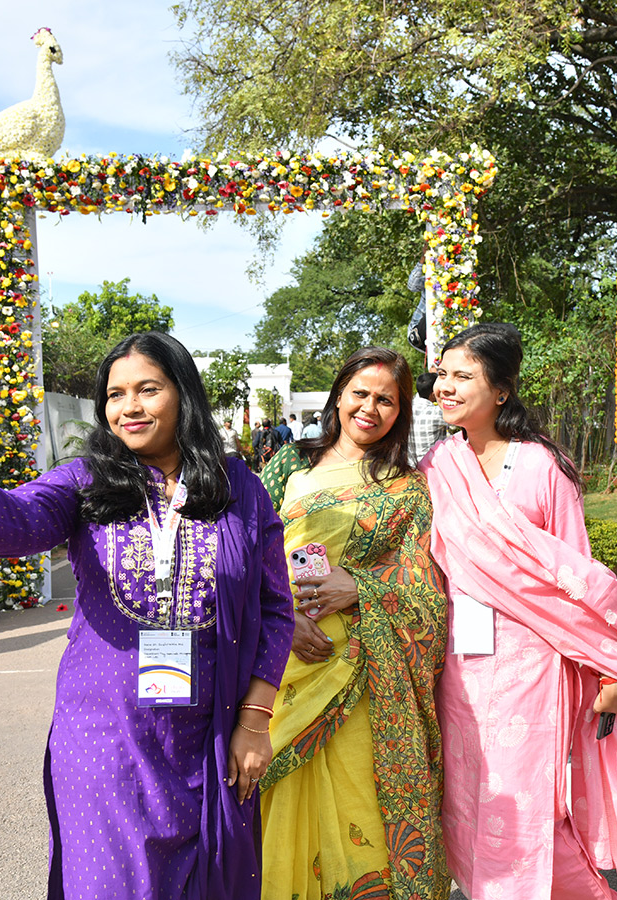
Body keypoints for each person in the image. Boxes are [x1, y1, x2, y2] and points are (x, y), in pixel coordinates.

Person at [0, 332, 295, 900]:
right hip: (107, 739)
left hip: (211, 740)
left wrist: (254, 723)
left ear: (184, 395)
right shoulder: (87, 481)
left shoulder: (240, 488)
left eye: (148, 389)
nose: (129, 407)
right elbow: (15, 519)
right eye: (115, 394)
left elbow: (274, 610)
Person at [419, 323, 617, 899]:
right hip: (457, 661)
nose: (447, 387)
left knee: (526, 795)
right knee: (465, 789)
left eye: (464, 376)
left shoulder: (542, 465)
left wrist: (609, 664)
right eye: (443, 375)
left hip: (532, 662)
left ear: (502, 391)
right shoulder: (439, 464)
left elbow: (579, 579)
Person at [257, 347, 449, 900]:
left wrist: (359, 587)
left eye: (386, 399)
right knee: (276, 798)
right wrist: (282, 617)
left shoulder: (409, 489)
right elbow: (246, 555)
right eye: (360, 393)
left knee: (360, 802)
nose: (370, 407)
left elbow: (427, 591)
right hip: (284, 662)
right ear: (338, 396)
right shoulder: (289, 464)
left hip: (364, 676)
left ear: (401, 411)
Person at [407, 371, 448, 466]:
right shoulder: (436, 413)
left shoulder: (407, 408)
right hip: (430, 468)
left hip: (410, 467)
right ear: (433, 395)